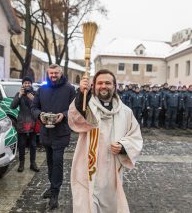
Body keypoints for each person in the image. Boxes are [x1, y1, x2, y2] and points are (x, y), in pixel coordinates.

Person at [68, 69, 143, 213]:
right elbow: (77, 120)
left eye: (108, 83)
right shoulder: (87, 107)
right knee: (86, 206)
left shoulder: (125, 112)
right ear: (93, 86)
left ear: (114, 86)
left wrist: (123, 146)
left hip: (111, 173)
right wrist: (80, 94)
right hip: (87, 169)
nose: (103, 86)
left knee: (111, 206)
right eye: (99, 83)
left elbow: (135, 136)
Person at [31, 64, 76, 210]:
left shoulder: (69, 88)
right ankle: (52, 186)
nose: (53, 76)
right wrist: (40, 115)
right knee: (50, 162)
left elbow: (74, 109)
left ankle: (55, 193)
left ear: (61, 73)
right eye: (51, 73)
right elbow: (34, 107)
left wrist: (63, 115)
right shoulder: (42, 88)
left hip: (61, 132)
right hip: (46, 132)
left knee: (57, 162)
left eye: (56, 73)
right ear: (48, 74)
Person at [10, 76, 39, 173]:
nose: (27, 84)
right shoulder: (19, 94)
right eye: (25, 83)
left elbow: (41, 106)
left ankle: (33, 163)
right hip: (22, 122)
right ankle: (21, 163)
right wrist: (19, 96)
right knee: (22, 144)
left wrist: (34, 99)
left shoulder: (35, 94)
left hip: (33, 122)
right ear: (23, 84)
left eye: (28, 83)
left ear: (31, 84)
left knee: (33, 144)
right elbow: (12, 106)